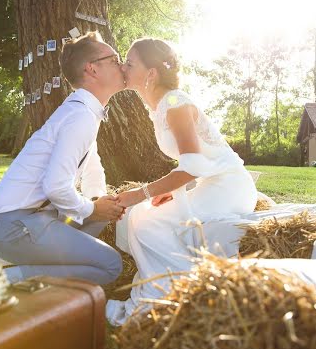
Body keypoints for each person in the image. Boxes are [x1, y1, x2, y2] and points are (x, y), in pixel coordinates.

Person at [106, 37, 257, 325]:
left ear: (150, 73)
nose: (124, 67)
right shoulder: (160, 106)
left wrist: (141, 193)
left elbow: (194, 165)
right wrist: (168, 192)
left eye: (130, 62)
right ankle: (167, 293)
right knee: (140, 217)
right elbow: (191, 167)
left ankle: (180, 299)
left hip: (229, 186)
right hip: (210, 183)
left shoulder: (175, 103)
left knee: (149, 221)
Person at [0, 31, 125, 284]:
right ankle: (7, 279)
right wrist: (93, 207)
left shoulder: (83, 112)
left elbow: (93, 167)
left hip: (29, 220)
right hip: (14, 227)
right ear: (92, 69)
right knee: (111, 265)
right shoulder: (80, 116)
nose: (121, 63)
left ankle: (40, 263)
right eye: (114, 58)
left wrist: (101, 203)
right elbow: (55, 186)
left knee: (103, 215)